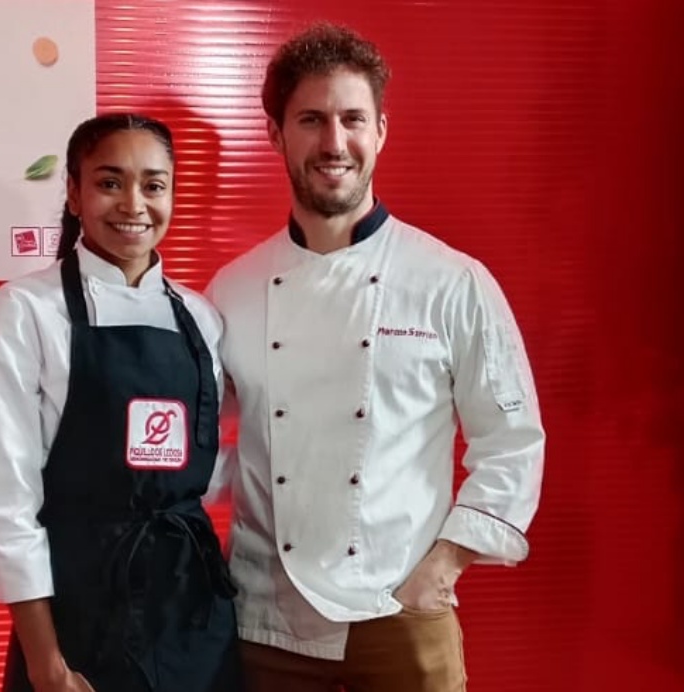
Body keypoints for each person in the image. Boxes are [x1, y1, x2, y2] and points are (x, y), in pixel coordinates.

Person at [204, 22, 546, 692]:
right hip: (267, 617)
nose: (334, 142)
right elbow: (198, 446)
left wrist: (442, 568)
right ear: (275, 134)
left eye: (352, 119)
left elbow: (513, 440)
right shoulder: (233, 290)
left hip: (400, 610)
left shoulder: (451, 281)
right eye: (311, 120)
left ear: (381, 131)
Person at [0, 113, 243, 692]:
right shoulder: (24, 312)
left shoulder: (201, 318)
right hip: (80, 611)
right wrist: (47, 664)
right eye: (110, 182)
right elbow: (7, 505)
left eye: (153, 185)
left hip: (193, 609)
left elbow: (204, 468)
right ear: (74, 193)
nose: (133, 204)